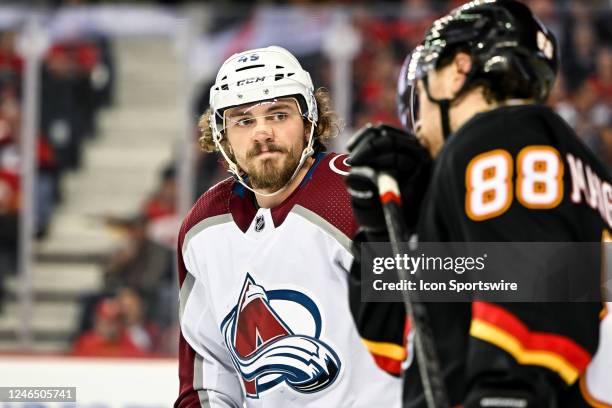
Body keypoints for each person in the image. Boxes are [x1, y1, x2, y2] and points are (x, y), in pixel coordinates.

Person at [345, 1, 611, 407]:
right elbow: (399, 340)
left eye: (422, 91)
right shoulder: (586, 171)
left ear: (457, 72)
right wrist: (388, 231)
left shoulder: (496, 136)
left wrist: (507, 391)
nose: (418, 123)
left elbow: (534, 296)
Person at [175, 45, 403, 407]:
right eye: (243, 120)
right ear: (221, 136)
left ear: (311, 120)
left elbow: (466, 286)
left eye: (279, 114)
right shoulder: (204, 226)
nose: (262, 133)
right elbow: (209, 375)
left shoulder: (355, 195)